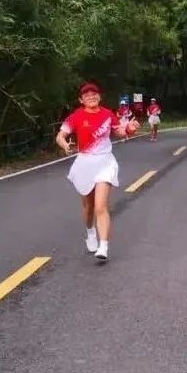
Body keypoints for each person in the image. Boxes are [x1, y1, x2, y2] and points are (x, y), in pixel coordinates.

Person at [56, 82, 139, 261]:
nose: (91, 97)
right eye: (87, 95)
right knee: (89, 207)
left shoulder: (108, 114)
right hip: (85, 162)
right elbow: (60, 136)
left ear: (99, 97)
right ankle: (90, 231)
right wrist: (65, 145)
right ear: (81, 100)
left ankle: (103, 246)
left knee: (101, 205)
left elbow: (119, 132)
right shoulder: (76, 116)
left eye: (94, 94)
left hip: (105, 162)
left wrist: (129, 129)